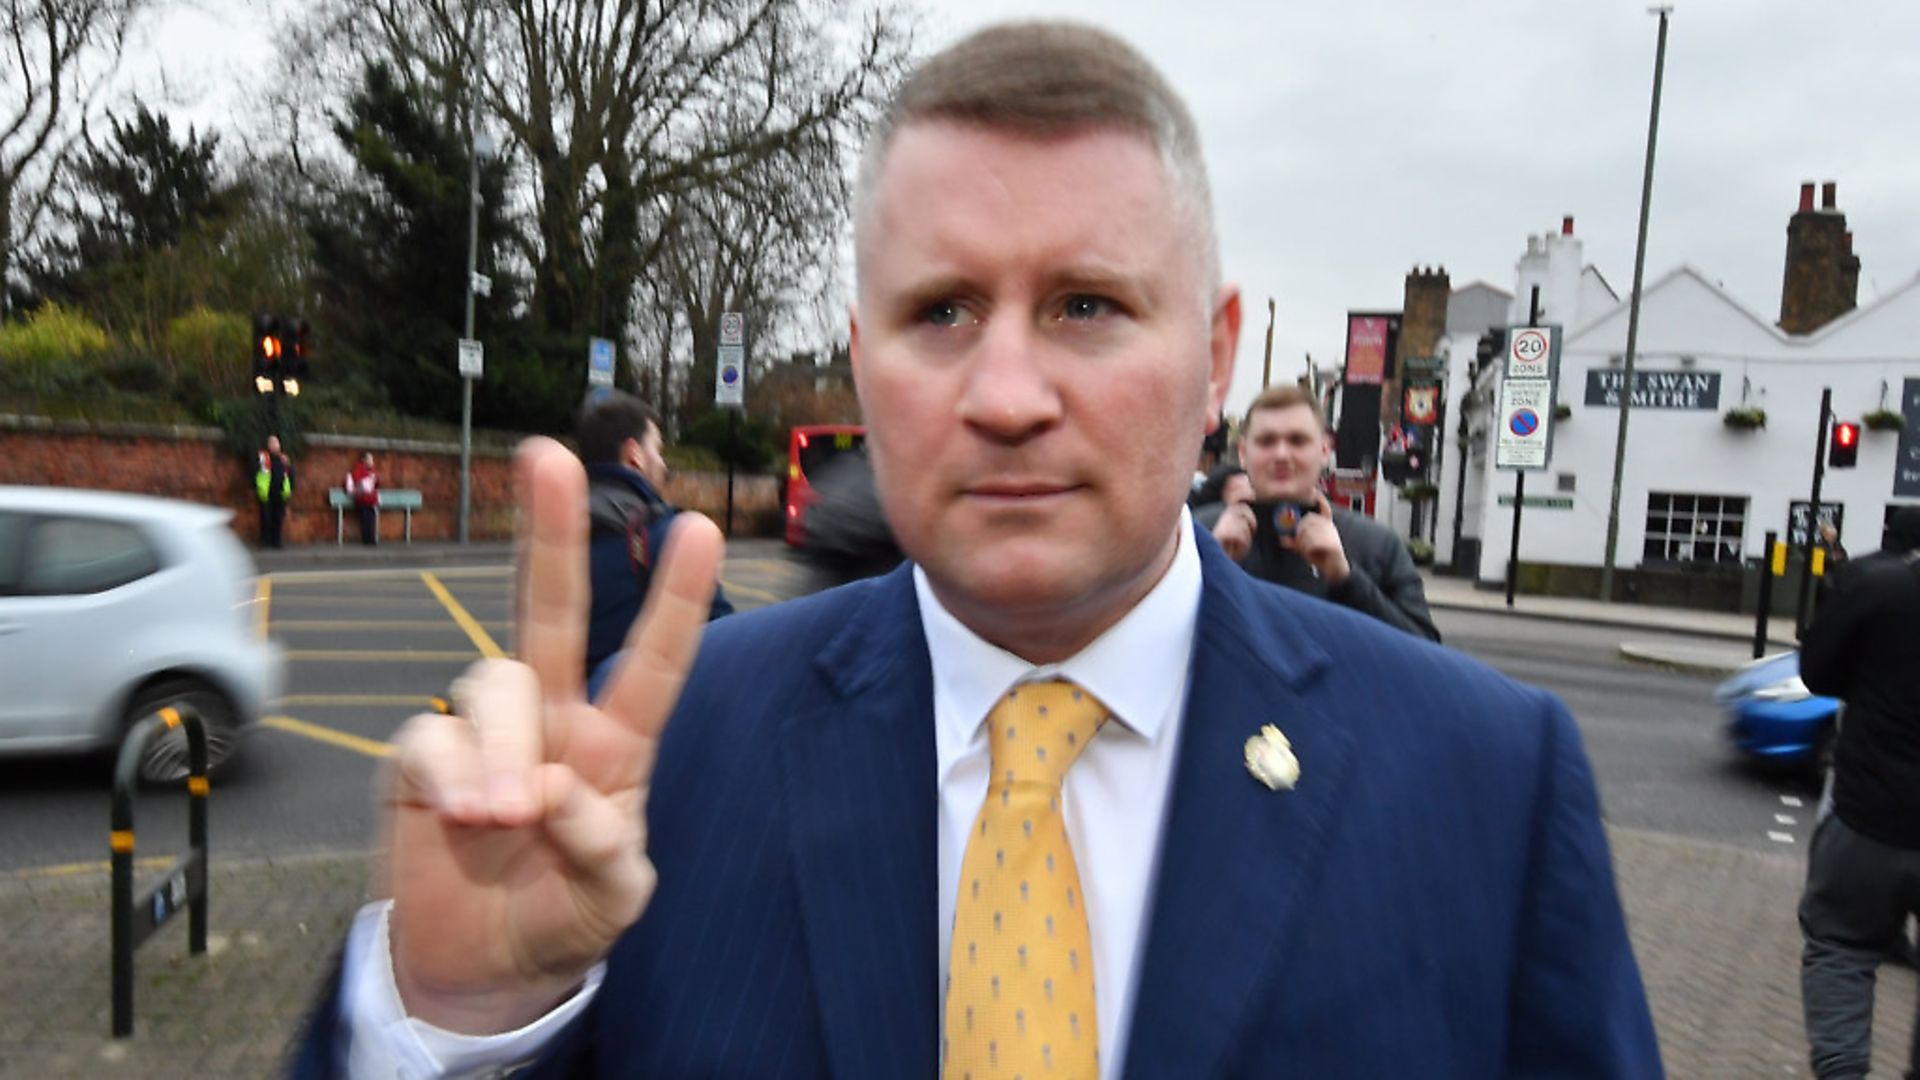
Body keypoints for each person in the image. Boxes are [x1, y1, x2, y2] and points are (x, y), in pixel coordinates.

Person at [294, 22, 1657, 1078]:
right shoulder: (664, 763)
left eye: (1086, 304)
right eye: (941, 310)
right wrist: (461, 1020)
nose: (1006, 393)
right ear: (862, 358)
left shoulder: (1491, 785)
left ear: (1216, 357)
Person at [1795, 505, 1920, 1080]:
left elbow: (1819, 672)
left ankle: (1843, 1071)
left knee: (1841, 946)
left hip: (1873, 812)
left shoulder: (1881, 588)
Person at [1211, 384, 1441, 641]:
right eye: (1267, 441)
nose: (1282, 454)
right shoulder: (1199, 535)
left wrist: (1345, 578)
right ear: (1243, 453)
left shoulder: (1377, 545)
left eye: (1298, 441)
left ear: (1324, 451)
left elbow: (1425, 653)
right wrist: (1213, 566)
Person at [576, 391, 732, 689]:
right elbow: (724, 641)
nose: (662, 464)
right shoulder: (665, 536)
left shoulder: (555, 535)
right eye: (657, 450)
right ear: (634, 454)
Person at [256, 435, 295, 549]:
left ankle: (276, 541)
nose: (275, 445)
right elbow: (255, 471)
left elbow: (291, 474)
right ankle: (265, 541)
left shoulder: (284, 459)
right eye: (272, 443)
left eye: (276, 443)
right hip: (266, 492)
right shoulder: (263, 458)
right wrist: (256, 487)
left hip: (280, 493)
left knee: (278, 518)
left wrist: (290, 488)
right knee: (265, 518)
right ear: (268, 445)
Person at [346, 451, 379, 546]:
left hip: (370, 499)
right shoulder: (358, 470)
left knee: (371, 517)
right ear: (364, 460)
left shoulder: (372, 471)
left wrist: (374, 479)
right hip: (362, 499)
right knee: (365, 516)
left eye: (372, 459)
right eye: (369, 459)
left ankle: (371, 538)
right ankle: (366, 538)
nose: (371, 461)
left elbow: (376, 484)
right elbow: (359, 483)